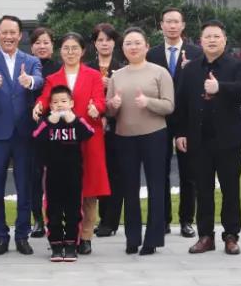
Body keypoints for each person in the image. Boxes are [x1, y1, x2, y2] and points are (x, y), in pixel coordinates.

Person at [174, 21, 241, 255]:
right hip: (199, 140)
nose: (212, 40)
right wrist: (180, 132)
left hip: (228, 139)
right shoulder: (190, 69)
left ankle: (231, 235)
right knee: (203, 190)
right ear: (201, 41)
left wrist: (220, 88)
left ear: (224, 40)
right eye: (208, 36)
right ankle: (205, 236)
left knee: (230, 189)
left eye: (217, 36)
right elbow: (181, 103)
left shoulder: (236, 65)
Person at [32, 33, 108, 255]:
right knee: (58, 191)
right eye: (66, 48)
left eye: (75, 48)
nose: (71, 52)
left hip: (88, 134)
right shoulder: (53, 78)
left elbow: (100, 100)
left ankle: (85, 237)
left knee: (89, 189)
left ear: (83, 51)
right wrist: (38, 106)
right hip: (61, 140)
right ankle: (58, 236)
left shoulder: (93, 75)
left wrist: (97, 108)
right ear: (60, 51)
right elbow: (45, 98)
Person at [0, 15, 44, 256]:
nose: (8, 36)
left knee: (24, 186)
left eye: (12, 32)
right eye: (4, 32)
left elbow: (40, 81)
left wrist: (30, 81)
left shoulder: (31, 60)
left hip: (24, 134)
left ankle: (22, 235)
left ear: (20, 35)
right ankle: (1, 235)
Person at [106, 27, 175, 256]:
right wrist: (113, 106)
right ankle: (132, 238)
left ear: (146, 46)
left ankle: (153, 239)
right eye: (128, 43)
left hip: (154, 135)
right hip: (124, 137)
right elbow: (109, 110)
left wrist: (148, 102)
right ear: (123, 48)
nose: (133, 47)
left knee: (156, 187)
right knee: (129, 188)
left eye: (137, 43)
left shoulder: (160, 73)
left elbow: (169, 105)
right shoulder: (117, 76)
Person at [147, 7, 203, 239]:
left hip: (187, 120)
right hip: (158, 119)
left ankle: (186, 220)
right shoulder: (152, 54)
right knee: (159, 172)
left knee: (188, 172)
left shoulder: (196, 53)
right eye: (167, 22)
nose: (172, 26)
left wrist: (190, 71)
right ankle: (163, 219)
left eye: (176, 22)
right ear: (161, 25)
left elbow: (201, 86)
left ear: (183, 25)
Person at [32, 86, 96, 263]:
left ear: (71, 103)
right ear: (50, 106)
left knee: (73, 210)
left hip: (73, 175)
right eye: (55, 102)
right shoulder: (47, 122)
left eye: (63, 101)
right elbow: (36, 137)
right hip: (52, 175)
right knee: (53, 210)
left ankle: (71, 245)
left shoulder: (77, 120)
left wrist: (73, 120)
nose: (60, 105)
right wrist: (48, 122)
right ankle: (56, 245)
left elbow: (89, 133)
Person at [88, 22, 126, 238]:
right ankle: (95, 218)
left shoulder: (123, 67)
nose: (104, 43)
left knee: (114, 174)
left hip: (117, 128)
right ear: (94, 43)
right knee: (95, 172)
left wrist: (111, 85)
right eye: (100, 40)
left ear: (114, 43)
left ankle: (110, 221)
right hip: (92, 127)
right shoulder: (86, 67)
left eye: (108, 40)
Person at [28, 26, 61, 238]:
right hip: (31, 128)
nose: (42, 46)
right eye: (37, 43)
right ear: (31, 47)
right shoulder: (26, 66)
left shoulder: (59, 68)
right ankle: (37, 219)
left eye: (46, 42)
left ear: (52, 45)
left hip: (56, 128)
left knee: (55, 176)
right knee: (34, 175)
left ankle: (54, 218)